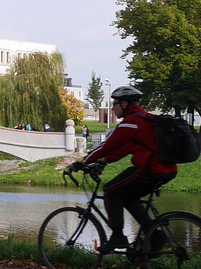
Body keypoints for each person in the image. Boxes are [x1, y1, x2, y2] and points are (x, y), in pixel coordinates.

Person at [69, 85, 176, 252]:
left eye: (115, 104)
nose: (113, 108)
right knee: (128, 197)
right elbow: (125, 148)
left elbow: (107, 146)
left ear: (124, 104)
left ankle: (118, 237)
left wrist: (82, 163)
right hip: (164, 169)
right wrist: (104, 161)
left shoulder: (132, 122)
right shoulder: (144, 119)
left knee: (111, 191)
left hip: (150, 169)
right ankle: (155, 237)